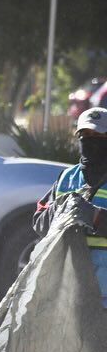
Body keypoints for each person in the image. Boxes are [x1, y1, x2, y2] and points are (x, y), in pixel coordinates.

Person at [33, 106, 107, 305]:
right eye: (84, 134)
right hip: (68, 296)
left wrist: (94, 217)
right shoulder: (68, 177)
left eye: (98, 135)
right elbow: (39, 221)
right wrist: (59, 210)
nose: (90, 140)